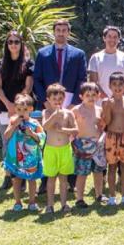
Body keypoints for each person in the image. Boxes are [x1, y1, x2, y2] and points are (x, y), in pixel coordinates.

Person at [33, 20, 87, 194]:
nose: (61, 33)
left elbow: (82, 79)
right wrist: (45, 101)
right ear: (54, 32)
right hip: (50, 102)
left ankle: (71, 180)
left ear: (68, 32)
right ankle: (45, 181)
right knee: (47, 140)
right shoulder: (43, 54)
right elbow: (37, 80)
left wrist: (73, 104)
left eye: (64, 30)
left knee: (70, 139)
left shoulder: (78, 54)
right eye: (58, 30)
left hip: (70, 102)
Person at [0, 31, 35, 191]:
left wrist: (17, 107)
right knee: (7, 142)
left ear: (21, 43)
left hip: (22, 109)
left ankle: (23, 176)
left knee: (23, 141)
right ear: (7, 44)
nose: (13, 45)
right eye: (10, 42)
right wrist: (9, 105)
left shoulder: (28, 63)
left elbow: (28, 87)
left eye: (16, 42)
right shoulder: (1, 63)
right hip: (4, 108)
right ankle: (8, 175)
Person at [3, 94, 45, 212]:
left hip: (31, 157)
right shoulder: (13, 121)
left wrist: (32, 134)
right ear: (15, 109)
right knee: (16, 180)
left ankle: (32, 202)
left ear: (31, 109)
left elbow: (42, 138)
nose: (22, 112)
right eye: (19, 109)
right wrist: (14, 125)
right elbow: (6, 136)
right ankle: (17, 202)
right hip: (17, 157)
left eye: (25, 109)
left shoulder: (35, 123)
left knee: (32, 179)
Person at [42, 83, 79, 214]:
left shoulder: (68, 113)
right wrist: (53, 117)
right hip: (51, 149)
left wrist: (64, 129)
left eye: (60, 99)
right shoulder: (46, 112)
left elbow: (76, 130)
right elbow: (45, 127)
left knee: (63, 179)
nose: (57, 102)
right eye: (54, 99)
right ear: (48, 100)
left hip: (65, 149)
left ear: (64, 99)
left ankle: (64, 204)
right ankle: (50, 205)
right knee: (51, 178)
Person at [102, 72, 124, 206]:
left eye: (120, 84)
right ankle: (111, 196)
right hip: (111, 137)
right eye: (114, 84)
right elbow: (108, 122)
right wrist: (108, 107)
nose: (117, 87)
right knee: (112, 167)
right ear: (109, 86)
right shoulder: (106, 102)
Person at [71, 83, 107, 206]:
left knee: (98, 172)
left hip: (97, 145)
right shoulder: (76, 109)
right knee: (82, 173)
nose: (91, 97)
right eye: (87, 95)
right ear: (81, 96)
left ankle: (99, 194)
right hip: (82, 145)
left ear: (98, 96)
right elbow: (71, 125)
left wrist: (101, 135)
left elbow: (103, 126)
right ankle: (79, 199)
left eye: (93, 95)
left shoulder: (100, 109)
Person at [88, 25, 124, 101]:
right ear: (104, 38)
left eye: (115, 37)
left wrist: (116, 97)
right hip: (100, 102)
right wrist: (107, 99)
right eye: (109, 36)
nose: (112, 39)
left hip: (120, 102)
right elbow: (94, 82)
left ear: (119, 39)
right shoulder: (95, 57)